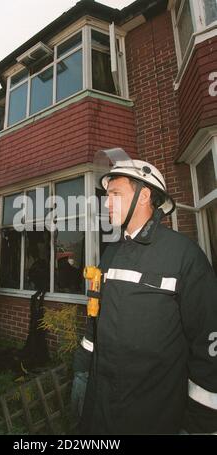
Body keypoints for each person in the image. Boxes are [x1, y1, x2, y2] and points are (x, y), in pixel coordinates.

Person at [72, 152, 217, 435]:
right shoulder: (110, 254)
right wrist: (82, 368)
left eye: (115, 193)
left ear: (143, 195)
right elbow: (96, 322)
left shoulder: (183, 256)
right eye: (106, 194)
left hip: (155, 418)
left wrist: (202, 423)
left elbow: (208, 343)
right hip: (101, 411)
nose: (107, 202)